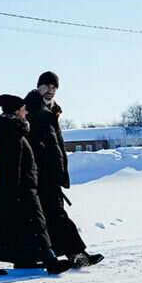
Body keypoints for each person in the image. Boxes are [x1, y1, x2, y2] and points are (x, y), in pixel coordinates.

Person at [0, 94, 73, 276]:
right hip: (20, 189)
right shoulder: (12, 133)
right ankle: (51, 262)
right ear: (16, 111)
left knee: (1, 224)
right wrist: (20, 190)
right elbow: (12, 166)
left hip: (11, 189)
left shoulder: (11, 130)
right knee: (36, 223)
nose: (26, 112)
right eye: (23, 109)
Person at [24, 71, 104, 268]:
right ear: (39, 86)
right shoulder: (32, 108)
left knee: (48, 215)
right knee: (55, 213)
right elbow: (32, 141)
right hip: (40, 172)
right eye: (47, 86)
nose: (51, 91)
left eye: (54, 88)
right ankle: (76, 254)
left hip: (51, 172)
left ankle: (46, 255)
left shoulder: (50, 110)